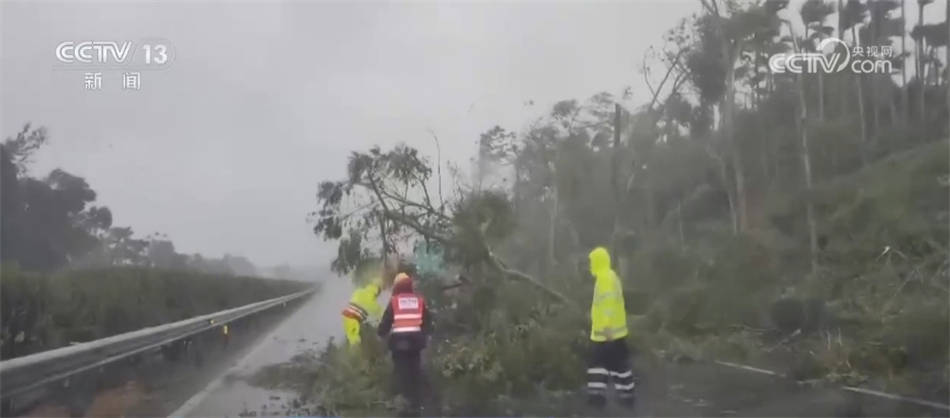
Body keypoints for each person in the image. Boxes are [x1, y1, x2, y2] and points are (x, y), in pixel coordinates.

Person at [585, 246, 635, 409]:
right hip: (612, 334)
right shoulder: (609, 276)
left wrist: (606, 326)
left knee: (603, 365)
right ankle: (623, 398)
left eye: (592, 262)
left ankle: (600, 399)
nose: (590, 265)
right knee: (614, 366)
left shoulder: (605, 278)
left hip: (607, 335)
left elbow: (607, 304)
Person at [377, 272, 433, 416]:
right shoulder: (419, 300)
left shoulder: (394, 301)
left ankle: (406, 406)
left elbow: (385, 324)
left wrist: (381, 334)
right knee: (415, 370)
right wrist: (425, 336)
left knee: (402, 373)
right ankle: (417, 404)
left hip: (399, 343)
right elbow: (428, 322)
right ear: (409, 286)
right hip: (416, 342)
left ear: (397, 286)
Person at [342, 280, 382, 347]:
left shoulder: (359, 291)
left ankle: (351, 350)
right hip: (354, 319)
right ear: (377, 293)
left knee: (350, 336)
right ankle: (355, 352)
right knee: (355, 340)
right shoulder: (373, 303)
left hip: (345, 316)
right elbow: (381, 314)